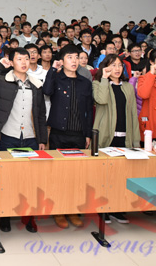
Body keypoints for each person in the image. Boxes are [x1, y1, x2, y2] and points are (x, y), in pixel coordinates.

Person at [0, 48, 47, 233]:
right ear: (11, 62)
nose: (24, 62)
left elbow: (40, 114)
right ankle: (5, 217)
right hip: (9, 137)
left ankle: (29, 218)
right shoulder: (4, 81)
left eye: (26, 58)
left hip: (31, 139)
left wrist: (42, 138)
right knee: (6, 181)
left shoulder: (36, 84)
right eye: (19, 59)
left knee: (30, 181)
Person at [42, 44, 93, 229]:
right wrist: (52, 70)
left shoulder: (85, 82)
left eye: (76, 57)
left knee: (76, 176)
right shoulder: (56, 78)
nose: (74, 61)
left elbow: (89, 110)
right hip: (59, 134)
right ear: (62, 61)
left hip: (78, 135)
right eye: (70, 57)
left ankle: (72, 210)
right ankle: (58, 211)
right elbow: (46, 91)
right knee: (59, 175)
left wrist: (87, 134)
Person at [92, 54, 139, 224]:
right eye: (113, 65)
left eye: (120, 65)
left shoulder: (128, 87)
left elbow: (133, 114)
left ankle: (117, 208)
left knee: (121, 176)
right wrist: (104, 78)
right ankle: (103, 209)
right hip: (106, 137)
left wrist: (136, 141)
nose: (117, 69)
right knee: (104, 176)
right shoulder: (98, 83)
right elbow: (101, 100)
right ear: (105, 67)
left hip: (124, 137)